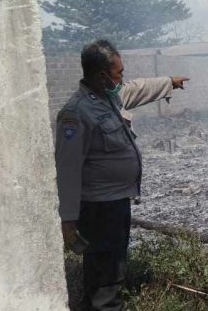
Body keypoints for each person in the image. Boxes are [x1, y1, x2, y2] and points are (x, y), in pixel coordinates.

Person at [55, 39, 189, 310]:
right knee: (105, 277)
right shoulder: (76, 113)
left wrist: (169, 82)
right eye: (118, 73)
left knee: (112, 269)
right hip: (98, 208)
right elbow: (67, 170)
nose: (122, 77)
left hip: (116, 202)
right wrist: (68, 221)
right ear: (102, 75)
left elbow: (139, 88)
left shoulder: (110, 97)